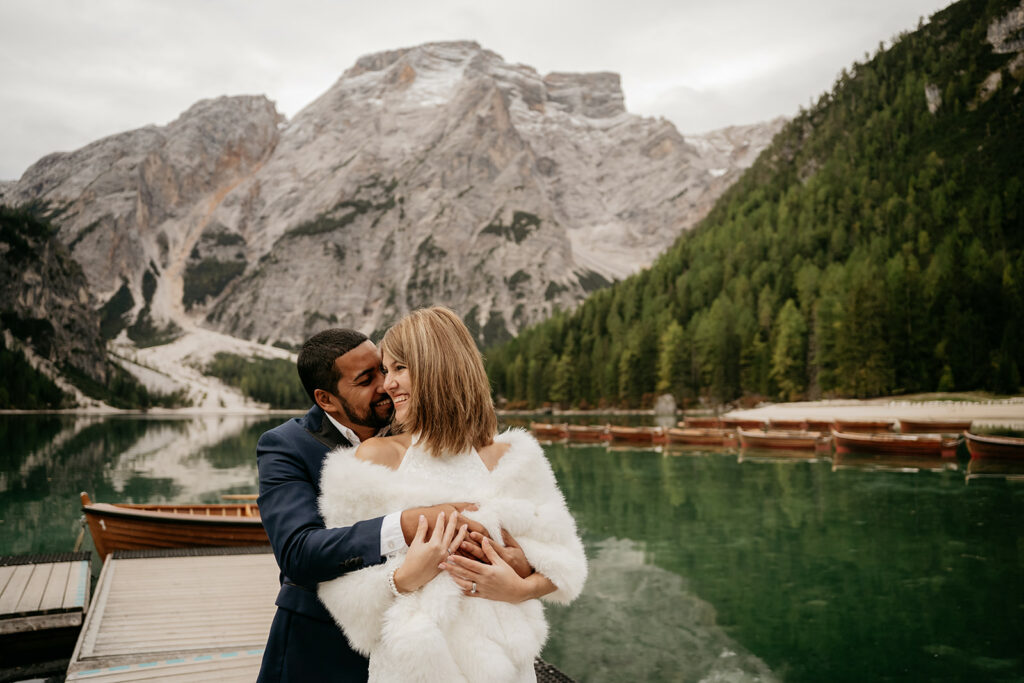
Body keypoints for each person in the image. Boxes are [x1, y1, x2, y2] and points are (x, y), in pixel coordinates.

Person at [317, 307, 588, 682]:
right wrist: (404, 577)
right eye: (385, 370)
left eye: (399, 368)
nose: (387, 384)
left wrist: (520, 587)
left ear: (438, 368)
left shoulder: (514, 458)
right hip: (413, 668)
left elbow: (567, 564)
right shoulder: (373, 461)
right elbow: (339, 581)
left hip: (506, 669)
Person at [256, 328, 482, 682]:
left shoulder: (420, 427)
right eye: (366, 380)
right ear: (326, 399)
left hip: (420, 651)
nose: (386, 385)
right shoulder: (285, 446)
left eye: (385, 369)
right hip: (320, 648)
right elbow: (298, 552)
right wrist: (407, 524)